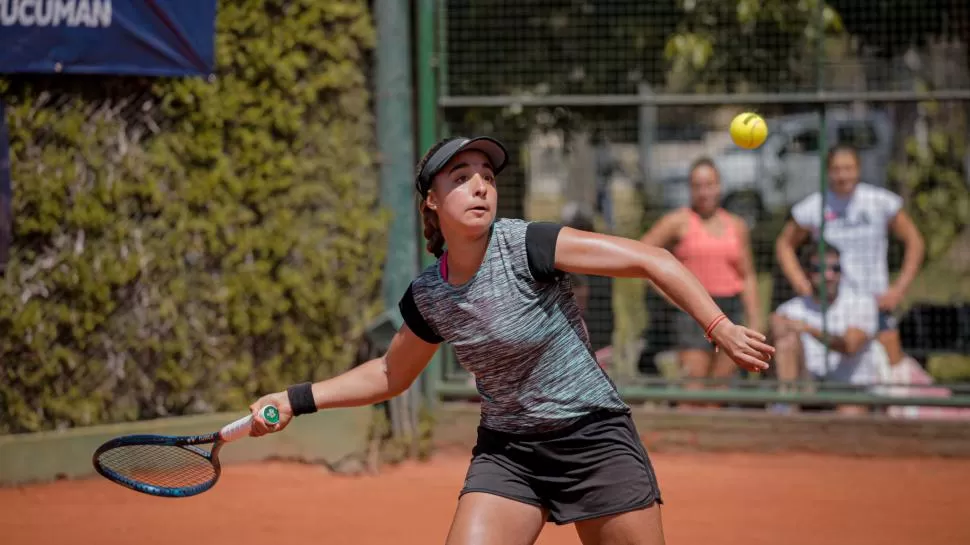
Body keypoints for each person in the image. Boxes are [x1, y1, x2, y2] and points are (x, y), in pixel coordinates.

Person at [246, 136, 774, 545]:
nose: (481, 186)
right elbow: (391, 373)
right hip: (511, 454)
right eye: (462, 177)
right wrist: (294, 398)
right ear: (432, 201)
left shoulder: (528, 245)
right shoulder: (430, 294)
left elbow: (649, 258)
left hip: (592, 438)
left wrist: (719, 326)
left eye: (487, 177)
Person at [776, 144, 925, 367]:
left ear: (858, 169)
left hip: (874, 301)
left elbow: (915, 241)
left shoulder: (880, 201)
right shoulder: (814, 206)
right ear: (828, 171)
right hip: (832, 303)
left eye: (848, 168)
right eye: (836, 169)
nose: (842, 175)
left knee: (892, 372)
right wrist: (800, 282)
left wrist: (899, 289)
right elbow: (784, 243)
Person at [639, 157, 763, 407]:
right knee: (693, 388)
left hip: (730, 309)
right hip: (693, 311)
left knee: (721, 389)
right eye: (697, 185)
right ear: (690, 188)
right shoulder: (678, 221)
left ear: (719, 186)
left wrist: (755, 318)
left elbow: (747, 275)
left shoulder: (736, 226)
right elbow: (642, 256)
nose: (704, 191)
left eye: (710, 184)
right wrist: (671, 294)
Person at [771, 241, 882, 415]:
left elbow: (850, 346)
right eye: (819, 268)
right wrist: (773, 329)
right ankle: (785, 410)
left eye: (835, 268)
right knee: (785, 339)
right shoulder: (790, 309)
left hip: (851, 389)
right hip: (808, 387)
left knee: (849, 415)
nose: (829, 275)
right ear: (807, 273)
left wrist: (808, 329)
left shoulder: (862, 303)